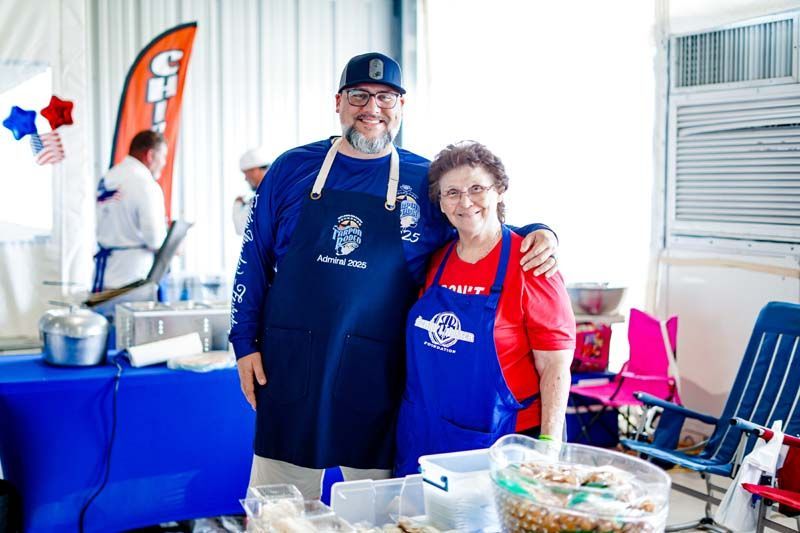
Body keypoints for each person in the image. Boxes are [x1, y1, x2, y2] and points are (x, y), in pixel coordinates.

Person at [230, 52, 560, 499]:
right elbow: (253, 255)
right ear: (338, 102)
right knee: (277, 510)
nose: (372, 108)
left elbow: (478, 222)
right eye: (359, 95)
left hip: (379, 372)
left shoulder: (424, 178)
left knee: (378, 513)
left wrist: (539, 232)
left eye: (386, 98)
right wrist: (243, 341)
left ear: (401, 107)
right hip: (291, 362)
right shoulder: (292, 168)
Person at [394, 142, 575, 476]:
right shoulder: (434, 260)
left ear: (500, 192)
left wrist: (548, 446)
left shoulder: (531, 263)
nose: (465, 202)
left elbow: (555, 365)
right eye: (452, 193)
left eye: (477, 188)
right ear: (441, 204)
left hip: (499, 441)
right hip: (425, 435)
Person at [93, 130, 168, 292]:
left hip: (104, 276)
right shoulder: (146, 184)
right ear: (150, 155)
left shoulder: (108, 178)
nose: (164, 163)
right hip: (133, 279)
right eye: (163, 156)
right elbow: (155, 239)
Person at [233, 147, 271, 235]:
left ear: (255, 170)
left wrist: (237, 205)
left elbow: (242, 229)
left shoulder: (264, 196)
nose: (246, 179)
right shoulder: (272, 191)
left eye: (246, 173)